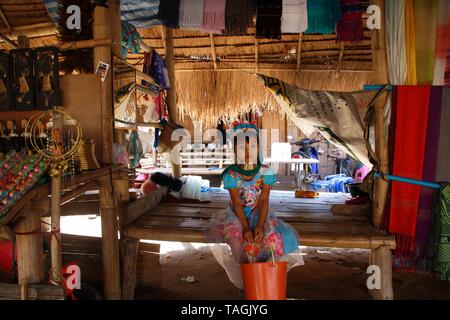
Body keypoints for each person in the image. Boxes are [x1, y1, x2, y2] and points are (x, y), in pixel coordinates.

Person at [206, 121, 303, 288]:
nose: (247, 152)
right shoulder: (231, 174)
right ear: (235, 150)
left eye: (252, 147)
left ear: (259, 149)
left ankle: (264, 275)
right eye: (242, 147)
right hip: (238, 216)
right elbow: (237, 203)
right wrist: (244, 227)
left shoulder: (267, 172)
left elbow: (264, 200)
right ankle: (248, 278)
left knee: (273, 237)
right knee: (236, 239)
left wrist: (259, 225)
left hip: (260, 214)